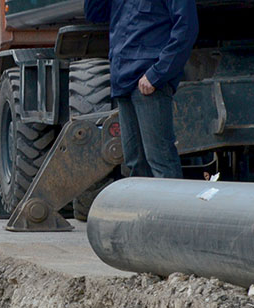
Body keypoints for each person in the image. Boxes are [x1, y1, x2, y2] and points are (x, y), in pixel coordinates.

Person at [84, 0, 198, 178]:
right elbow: (95, 15)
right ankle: (144, 207)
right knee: (134, 164)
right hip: (122, 81)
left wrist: (157, 74)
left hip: (149, 83)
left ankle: (169, 206)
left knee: (160, 161)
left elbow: (186, 29)